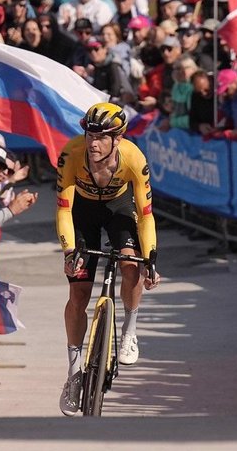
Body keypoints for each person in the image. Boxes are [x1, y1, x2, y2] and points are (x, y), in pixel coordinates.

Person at [55, 102, 159, 417]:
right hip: (82, 211)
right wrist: (70, 250)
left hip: (119, 208)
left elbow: (145, 216)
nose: (93, 143)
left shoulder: (133, 158)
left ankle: (129, 329)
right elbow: (63, 209)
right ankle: (74, 371)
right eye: (89, 135)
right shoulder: (71, 154)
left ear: (117, 139)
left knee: (132, 266)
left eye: (101, 137)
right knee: (79, 293)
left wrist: (151, 256)